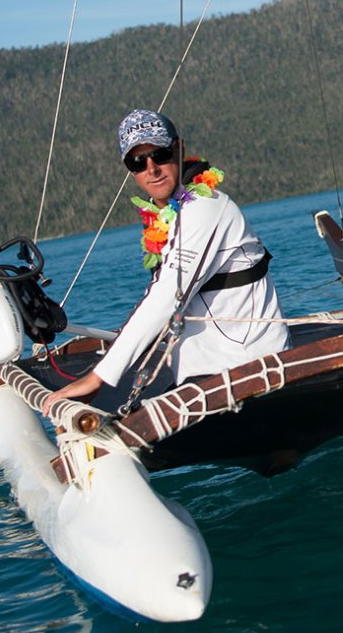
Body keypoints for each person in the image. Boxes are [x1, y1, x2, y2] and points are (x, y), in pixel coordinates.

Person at [42, 110, 291, 411]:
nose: (152, 169)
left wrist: (98, 377)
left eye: (160, 155)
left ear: (179, 149)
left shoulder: (205, 208)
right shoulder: (168, 215)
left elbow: (166, 296)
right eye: (138, 162)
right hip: (205, 370)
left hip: (248, 369)